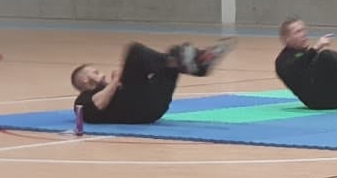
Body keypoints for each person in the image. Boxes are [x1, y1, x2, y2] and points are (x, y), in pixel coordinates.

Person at [70, 39, 235, 125]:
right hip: (136, 110)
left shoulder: (109, 88)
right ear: (85, 79)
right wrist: (116, 81)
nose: (101, 74)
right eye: (96, 72)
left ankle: (191, 63)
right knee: (134, 51)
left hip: (155, 105)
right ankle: (193, 63)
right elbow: (98, 104)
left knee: (176, 53)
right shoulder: (82, 101)